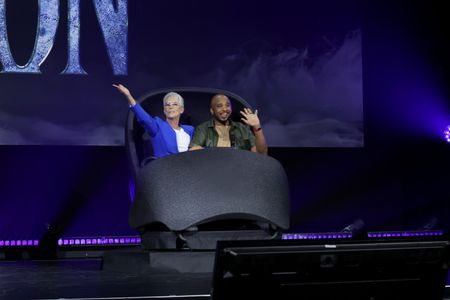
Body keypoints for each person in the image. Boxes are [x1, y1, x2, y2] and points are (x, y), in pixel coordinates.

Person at [113, 84, 194, 158]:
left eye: (175, 104)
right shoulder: (158, 126)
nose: (170, 107)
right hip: (166, 171)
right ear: (164, 110)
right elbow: (144, 118)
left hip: (188, 170)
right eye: (167, 105)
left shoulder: (189, 130)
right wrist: (129, 96)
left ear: (181, 110)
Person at [189, 94, 268, 155]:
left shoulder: (242, 128)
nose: (225, 109)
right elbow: (193, 152)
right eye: (219, 106)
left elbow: (261, 154)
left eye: (228, 105)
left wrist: (257, 127)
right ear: (212, 111)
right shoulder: (203, 129)